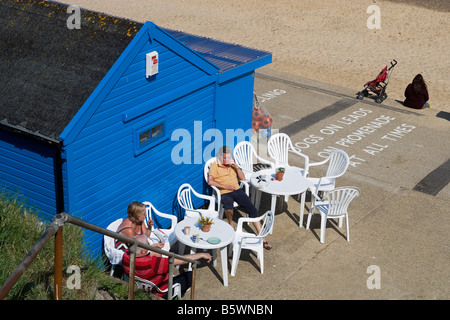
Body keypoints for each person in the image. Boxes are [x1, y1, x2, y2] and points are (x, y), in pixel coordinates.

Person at [208, 146, 272, 249]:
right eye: (225, 158)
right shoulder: (215, 165)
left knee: (252, 209)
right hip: (225, 192)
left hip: (237, 190)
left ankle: (261, 237)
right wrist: (226, 186)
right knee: (228, 206)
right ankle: (231, 224)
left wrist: (236, 166)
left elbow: (242, 178)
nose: (227, 160)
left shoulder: (233, 164)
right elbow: (210, 181)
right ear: (220, 156)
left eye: (229, 157)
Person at [122, 234, 211, 299]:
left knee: (158, 254)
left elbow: (142, 251)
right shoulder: (152, 263)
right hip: (160, 291)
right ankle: (179, 293)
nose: (149, 246)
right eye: (147, 244)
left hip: (140, 284)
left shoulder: (126, 256)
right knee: (190, 275)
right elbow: (180, 260)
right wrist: (201, 254)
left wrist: (153, 247)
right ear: (143, 252)